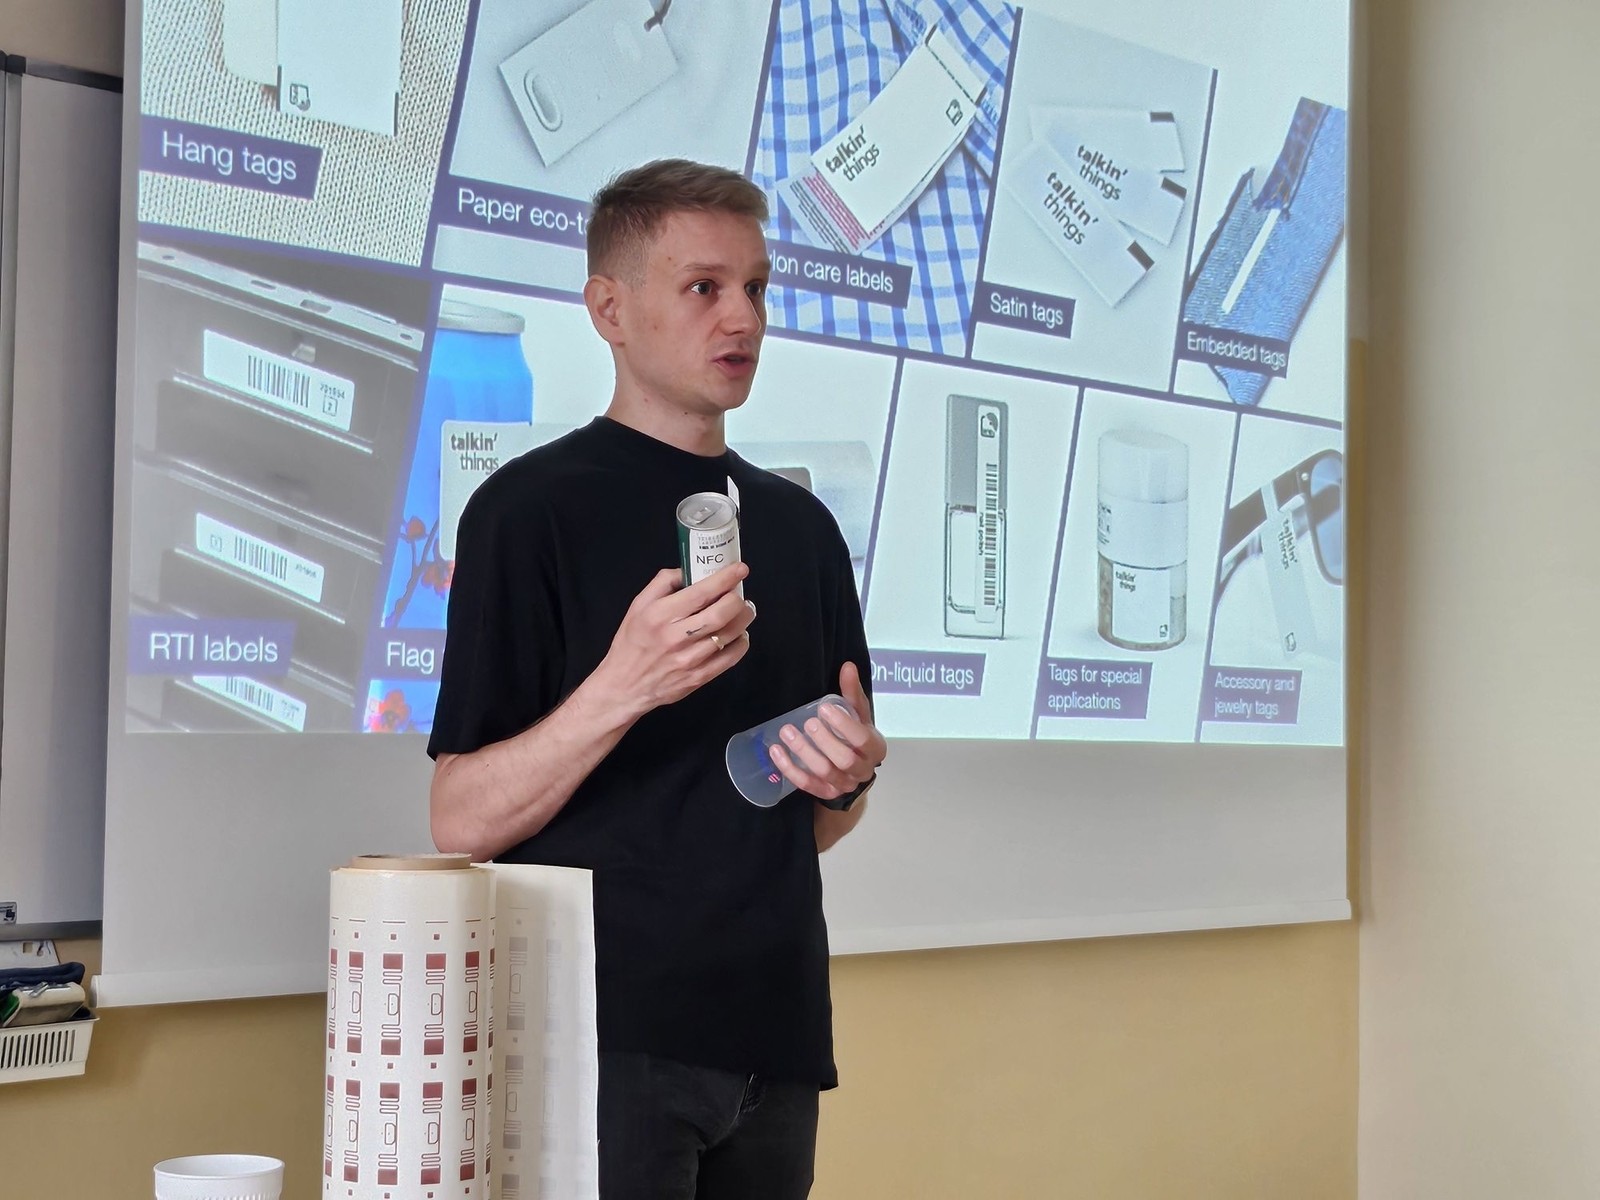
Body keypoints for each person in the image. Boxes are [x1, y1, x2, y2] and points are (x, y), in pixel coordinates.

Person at [427, 158, 886, 1200]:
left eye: (756, 288)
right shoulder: (526, 512)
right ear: (609, 310)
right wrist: (623, 685)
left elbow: (813, 825)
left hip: (774, 1032)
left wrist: (845, 777)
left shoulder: (803, 530)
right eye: (703, 287)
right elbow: (458, 818)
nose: (743, 318)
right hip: (601, 1037)